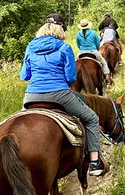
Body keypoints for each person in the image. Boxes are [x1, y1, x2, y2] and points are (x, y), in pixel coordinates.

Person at [19, 13, 106, 176]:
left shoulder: (30, 46)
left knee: (19, 123)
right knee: (92, 118)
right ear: (60, 31)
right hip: (59, 94)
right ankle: (94, 161)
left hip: (31, 96)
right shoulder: (64, 47)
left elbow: (24, 75)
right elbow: (71, 77)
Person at [76, 19, 113, 85]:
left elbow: (78, 44)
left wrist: (82, 49)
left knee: (74, 65)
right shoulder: (93, 33)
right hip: (93, 51)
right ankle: (107, 76)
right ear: (88, 26)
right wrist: (96, 49)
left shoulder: (78, 34)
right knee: (104, 62)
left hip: (81, 52)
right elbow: (98, 43)